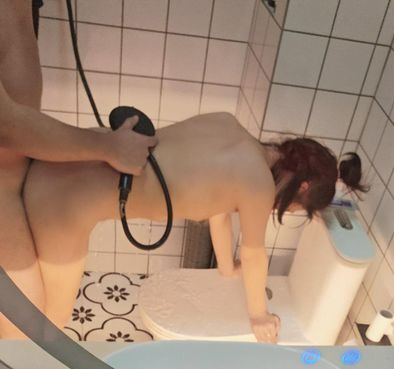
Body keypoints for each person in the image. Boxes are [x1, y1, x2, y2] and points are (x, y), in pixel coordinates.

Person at [22, 111, 366, 343]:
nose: (280, 207)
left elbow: (220, 212)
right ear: (302, 188)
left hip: (56, 155)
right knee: (46, 323)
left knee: (23, 302)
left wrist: (226, 267)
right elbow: (254, 254)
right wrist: (259, 317)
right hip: (62, 204)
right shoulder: (258, 184)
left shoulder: (229, 125)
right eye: (291, 207)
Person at [0, 0, 157, 338]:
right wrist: (107, 147)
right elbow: (5, 124)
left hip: (14, 179)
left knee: (44, 329)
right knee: (22, 334)